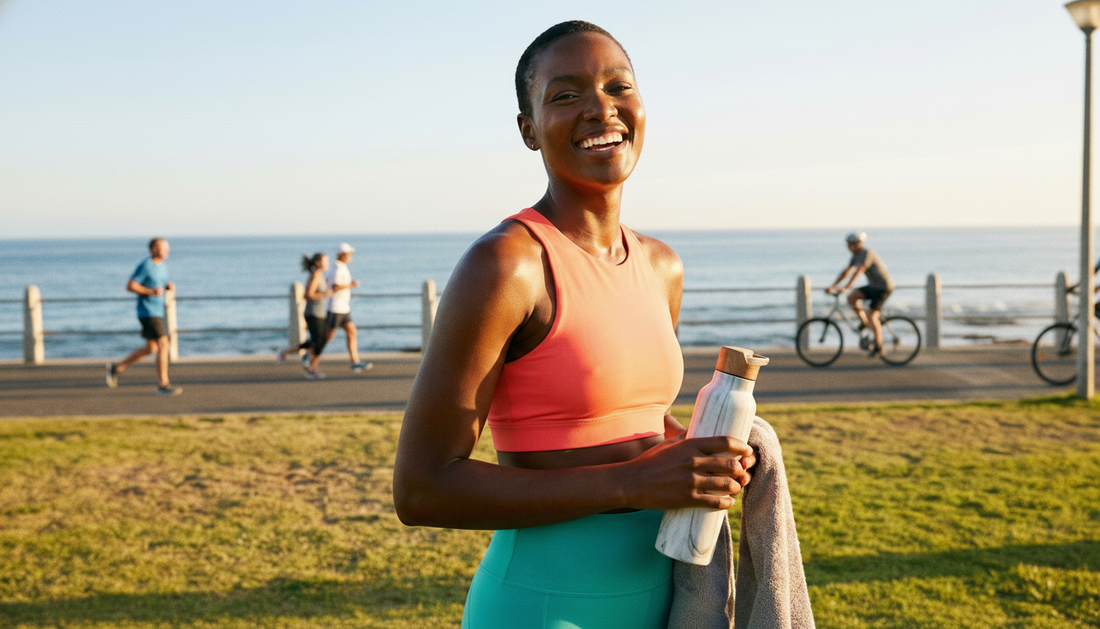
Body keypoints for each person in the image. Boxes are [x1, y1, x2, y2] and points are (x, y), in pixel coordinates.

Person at [393, 22, 757, 628]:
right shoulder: (507, 265)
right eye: (566, 95)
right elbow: (422, 488)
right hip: (541, 606)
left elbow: (624, 419)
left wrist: (697, 457)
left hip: (663, 601)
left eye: (620, 86)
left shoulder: (661, 265)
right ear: (528, 130)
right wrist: (631, 485)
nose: (601, 109)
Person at [105, 238, 182, 396]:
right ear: (153, 249)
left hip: (159, 311)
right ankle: (163, 384)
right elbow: (130, 285)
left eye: (168, 247)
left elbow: (158, 283)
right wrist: (151, 292)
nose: (167, 250)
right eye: (163, 247)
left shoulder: (163, 266)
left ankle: (117, 368)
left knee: (151, 348)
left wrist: (167, 286)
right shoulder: (146, 265)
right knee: (163, 344)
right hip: (148, 312)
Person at [826, 231, 895, 356]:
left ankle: (879, 346)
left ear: (858, 244)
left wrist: (846, 286)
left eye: (851, 244)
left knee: (872, 314)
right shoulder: (856, 255)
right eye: (848, 244)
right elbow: (846, 272)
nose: (848, 247)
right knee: (852, 298)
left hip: (883, 288)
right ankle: (864, 322)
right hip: (873, 286)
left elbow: (859, 270)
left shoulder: (867, 254)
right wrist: (833, 286)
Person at [278, 252, 333, 379]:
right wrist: (325, 295)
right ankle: (311, 368)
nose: (327, 264)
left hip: (319, 313)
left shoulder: (320, 275)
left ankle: (289, 353)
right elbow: (307, 295)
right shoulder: (315, 276)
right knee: (319, 342)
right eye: (326, 261)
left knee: (320, 340)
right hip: (312, 313)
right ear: (318, 263)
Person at [325, 242, 372, 373]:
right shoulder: (337, 269)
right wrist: (351, 285)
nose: (351, 256)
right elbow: (334, 287)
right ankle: (309, 352)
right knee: (328, 337)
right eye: (349, 254)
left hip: (343, 308)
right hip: (336, 308)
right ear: (341, 255)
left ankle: (355, 362)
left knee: (352, 332)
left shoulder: (341, 267)